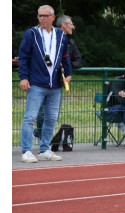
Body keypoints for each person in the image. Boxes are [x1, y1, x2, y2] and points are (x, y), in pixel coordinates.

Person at [18, 4, 72, 162]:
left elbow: (65, 57)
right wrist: (23, 77)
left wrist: (68, 75)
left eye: (45, 16)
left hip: (55, 85)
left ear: (53, 18)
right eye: (40, 16)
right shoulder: (32, 34)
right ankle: (26, 150)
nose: (42, 18)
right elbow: (24, 57)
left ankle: (44, 149)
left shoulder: (61, 36)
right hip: (36, 84)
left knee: (51, 118)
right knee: (30, 117)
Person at [34, 14, 83, 141]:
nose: (74, 26)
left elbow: (78, 61)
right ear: (63, 25)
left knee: (53, 115)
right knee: (40, 113)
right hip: (42, 81)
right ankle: (39, 136)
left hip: (58, 83)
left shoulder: (70, 42)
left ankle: (44, 140)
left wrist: (66, 68)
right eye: (71, 24)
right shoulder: (47, 38)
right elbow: (42, 55)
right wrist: (54, 65)